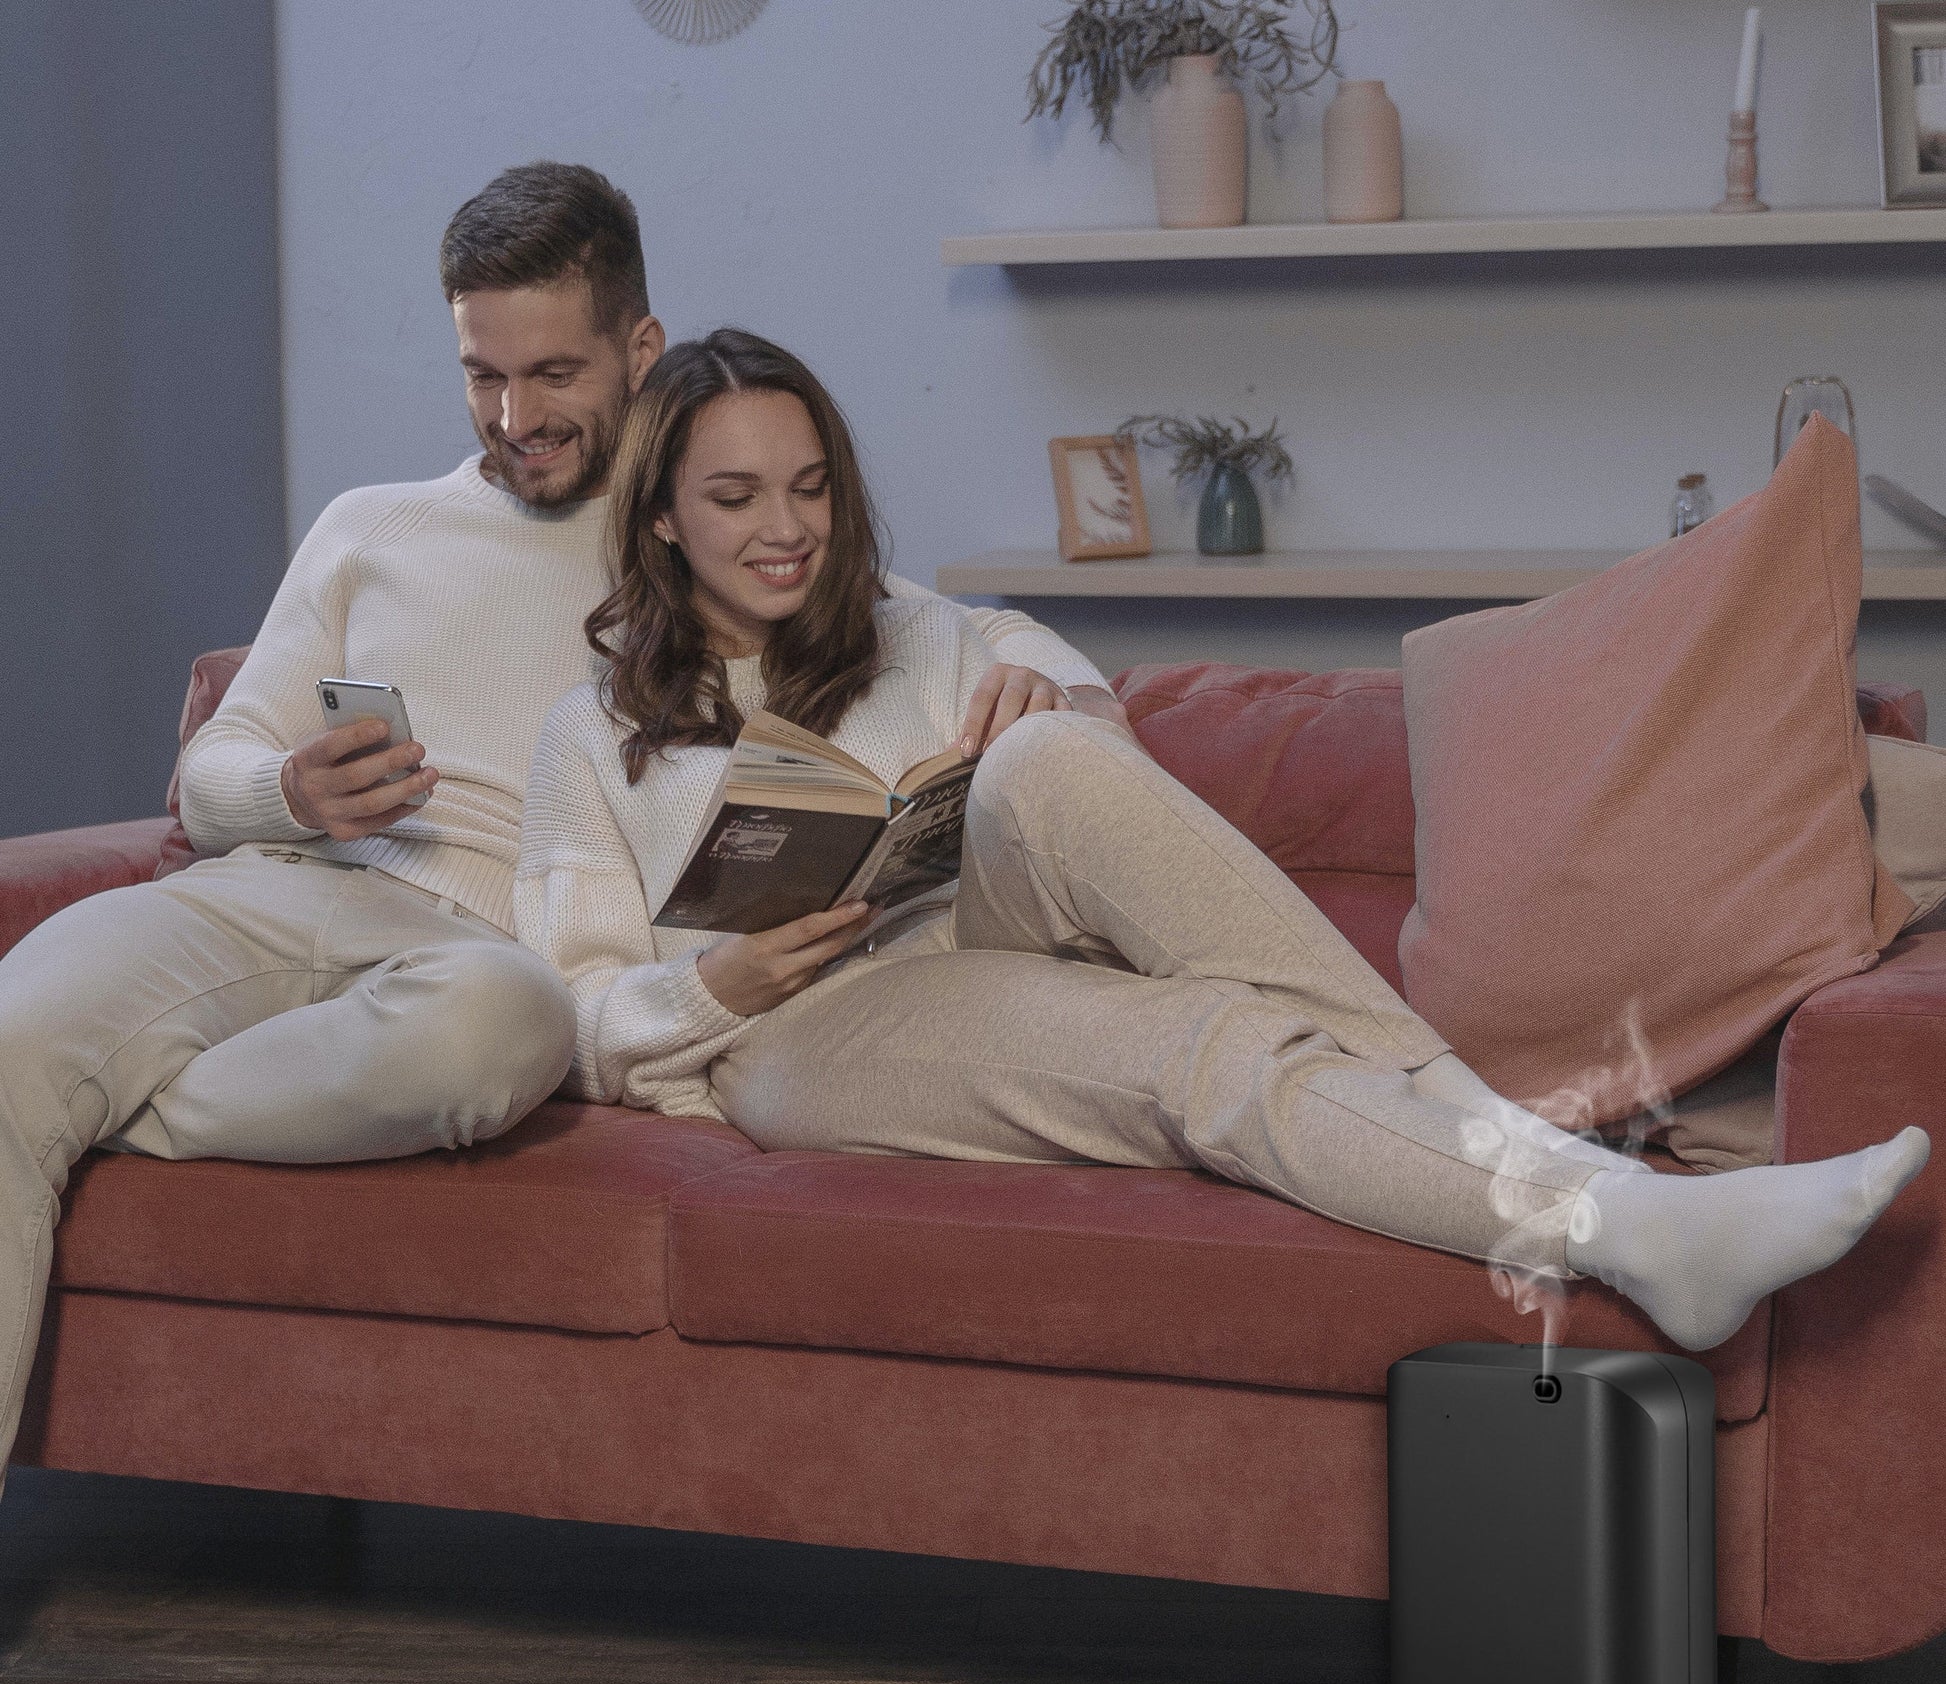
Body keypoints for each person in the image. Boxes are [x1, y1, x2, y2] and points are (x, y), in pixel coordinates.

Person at [0, 162, 1109, 1494]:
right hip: (283, 891)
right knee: (12, 1037)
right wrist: (288, 789)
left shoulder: (707, 528)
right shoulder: (370, 529)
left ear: (641, 348)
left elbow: (959, 628)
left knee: (502, 1033)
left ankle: (112, 1109)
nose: (515, 417)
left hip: (486, 955)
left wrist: (1058, 690)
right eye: (483, 375)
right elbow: (211, 770)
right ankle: (64, 1091)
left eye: (555, 375)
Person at [518, 327, 1930, 1356]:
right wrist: (719, 985)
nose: (788, 530)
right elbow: (572, 1023)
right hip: (794, 1031)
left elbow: (1110, 802)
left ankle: (1503, 1134)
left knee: (1059, 746)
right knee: (1214, 1045)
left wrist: (1047, 697)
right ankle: (1619, 1214)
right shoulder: (591, 737)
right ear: (659, 517)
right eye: (737, 496)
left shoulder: (914, 628)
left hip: (969, 931)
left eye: (810, 486)